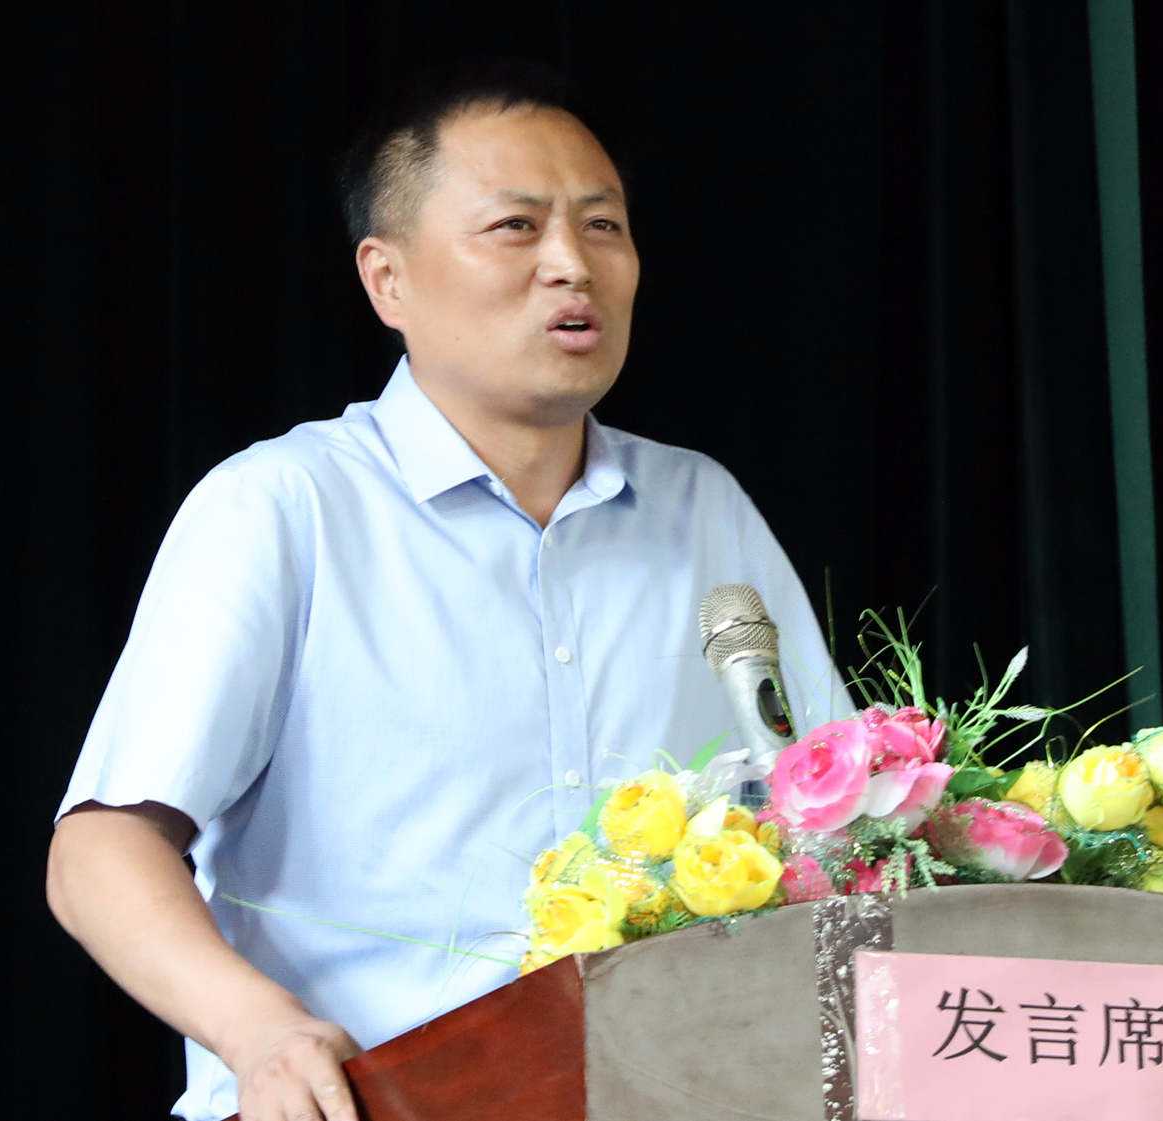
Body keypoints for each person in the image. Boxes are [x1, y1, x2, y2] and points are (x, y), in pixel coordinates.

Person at [46, 60, 848, 1121]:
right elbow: (100, 849)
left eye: (602, 226)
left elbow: (837, 815)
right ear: (387, 279)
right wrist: (262, 1030)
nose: (571, 264)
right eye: (516, 227)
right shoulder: (286, 506)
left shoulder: (701, 506)